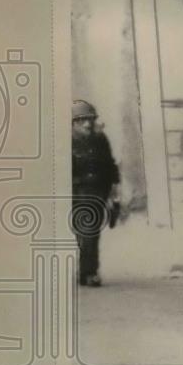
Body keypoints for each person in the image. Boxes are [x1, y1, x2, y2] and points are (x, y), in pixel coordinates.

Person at [71, 100, 120, 287]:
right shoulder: (65, 142)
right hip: (74, 193)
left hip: (96, 192)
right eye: (82, 120)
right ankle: (86, 271)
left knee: (90, 233)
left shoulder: (100, 139)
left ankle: (89, 272)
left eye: (90, 119)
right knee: (82, 234)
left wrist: (114, 193)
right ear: (73, 123)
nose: (87, 124)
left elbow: (110, 165)